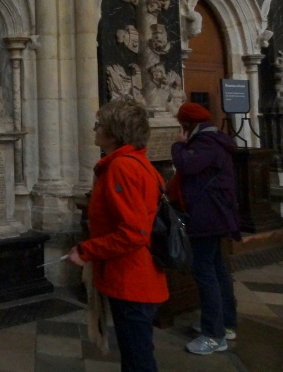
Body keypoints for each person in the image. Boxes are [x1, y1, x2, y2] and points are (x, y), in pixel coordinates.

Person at [68, 99, 168, 372]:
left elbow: (134, 233)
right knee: (135, 355)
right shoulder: (136, 162)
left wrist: (86, 250)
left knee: (138, 361)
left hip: (132, 278)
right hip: (135, 275)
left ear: (114, 133)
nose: (94, 129)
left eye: (99, 125)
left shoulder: (122, 167)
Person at [172, 102, 241, 355]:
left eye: (182, 124)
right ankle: (225, 324)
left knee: (205, 273)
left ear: (188, 124)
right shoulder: (214, 140)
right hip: (215, 214)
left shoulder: (206, 143)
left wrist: (178, 144)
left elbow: (186, 164)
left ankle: (213, 335)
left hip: (207, 216)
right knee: (217, 269)